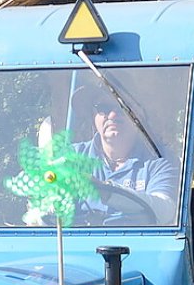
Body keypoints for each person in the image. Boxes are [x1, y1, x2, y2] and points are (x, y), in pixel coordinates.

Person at [73, 89, 178, 223]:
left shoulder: (160, 158)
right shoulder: (72, 156)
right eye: (103, 108)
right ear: (94, 117)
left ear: (139, 114)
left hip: (140, 243)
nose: (112, 115)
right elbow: (44, 214)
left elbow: (165, 210)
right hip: (77, 243)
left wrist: (105, 190)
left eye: (121, 107)